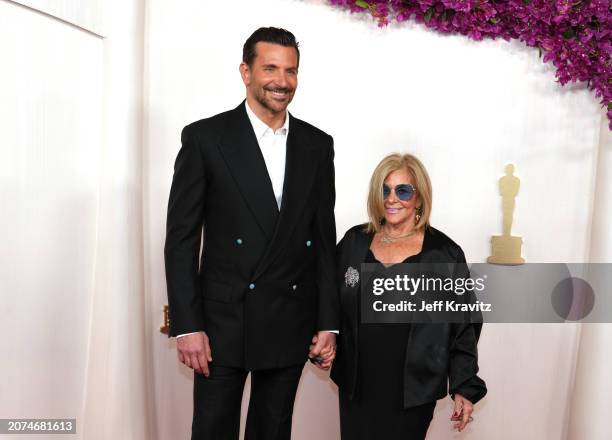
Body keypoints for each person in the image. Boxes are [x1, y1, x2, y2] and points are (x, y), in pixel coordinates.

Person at [164, 27, 339, 440]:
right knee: (213, 430)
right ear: (246, 72)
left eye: (291, 71)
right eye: (271, 68)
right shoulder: (206, 138)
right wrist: (188, 325)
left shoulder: (317, 144)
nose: (282, 81)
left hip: (289, 315)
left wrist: (328, 321)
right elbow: (181, 240)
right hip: (222, 322)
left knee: (273, 431)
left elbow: (323, 240)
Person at [330, 153, 486, 439]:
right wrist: (324, 336)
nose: (392, 198)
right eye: (385, 189)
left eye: (403, 190)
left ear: (419, 198)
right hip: (358, 384)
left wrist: (464, 385)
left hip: (413, 389)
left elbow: (464, 324)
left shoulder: (445, 254)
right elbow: (329, 298)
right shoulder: (354, 242)